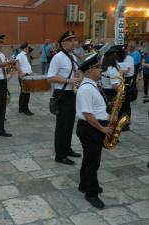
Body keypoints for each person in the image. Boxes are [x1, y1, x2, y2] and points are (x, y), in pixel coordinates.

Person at [76, 53, 113, 209]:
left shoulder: (92, 86)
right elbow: (88, 115)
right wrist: (103, 128)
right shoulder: (86, 89)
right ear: (91, 70)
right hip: (90, 128)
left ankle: (84, 184)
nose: (101, 69)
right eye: (98, 67)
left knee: (89, 159)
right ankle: (91, 193)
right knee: (93, 162)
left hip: (91, 127)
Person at [47, 31, 82, 165]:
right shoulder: (58, 57)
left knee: (69, 125)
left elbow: (75, 73)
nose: (74, 43)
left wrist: (79, 75)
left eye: (75, 40)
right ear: (63, 43)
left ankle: (67, 149)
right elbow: (50, 77)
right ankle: (60, 155)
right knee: (62, 126)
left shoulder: (72, 56)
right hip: (62, 95)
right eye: (71, 40)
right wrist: (69, 80)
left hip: (72, 94)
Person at [116, 45, 134, 131]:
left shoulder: (129, 58)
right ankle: (120, 122)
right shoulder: (119, 59)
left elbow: (126, 70)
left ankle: (126, 124)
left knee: (126, 104)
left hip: (126, 82)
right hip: (120, 81)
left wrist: (115, 70)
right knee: (120, 104)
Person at [16, 42, 33, 115]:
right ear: (25, 48)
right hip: (24, 76)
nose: (28, 49)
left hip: (27, 75)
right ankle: (25, 109)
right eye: (27, 47)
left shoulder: (25, 55)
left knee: (23, 92)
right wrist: (21, 73)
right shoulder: (21, 55)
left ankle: (21, 108)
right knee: (26, 93)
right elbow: (17, 64)